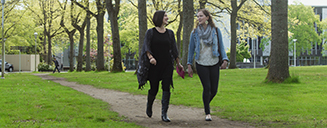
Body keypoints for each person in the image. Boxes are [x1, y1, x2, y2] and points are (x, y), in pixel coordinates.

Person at [137, 10, 183, 122]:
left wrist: (178, 63)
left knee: (166, 87)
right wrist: (151, 58)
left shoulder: (170, 33)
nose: (167, 17)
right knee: (154, 88)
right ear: (159, 18)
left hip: (167, 64)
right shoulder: (150, 32)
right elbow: (146, 47)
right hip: (154, 65)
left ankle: (164, 114)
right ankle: (149, 104)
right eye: (165, 16)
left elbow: (174, 50)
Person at [187, 9, 229, 121]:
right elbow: (191, 49)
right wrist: (189, 64)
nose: (199, 18)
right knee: (207, 87)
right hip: (201, 63)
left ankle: (206, 104)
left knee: (214, 90)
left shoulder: (215, 30)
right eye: (197, 16)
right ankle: (207, 113)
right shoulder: (194, 33)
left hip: (214, 62)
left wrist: (225, 59)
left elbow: (221, 46)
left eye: (201, 16)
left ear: (207, 17)